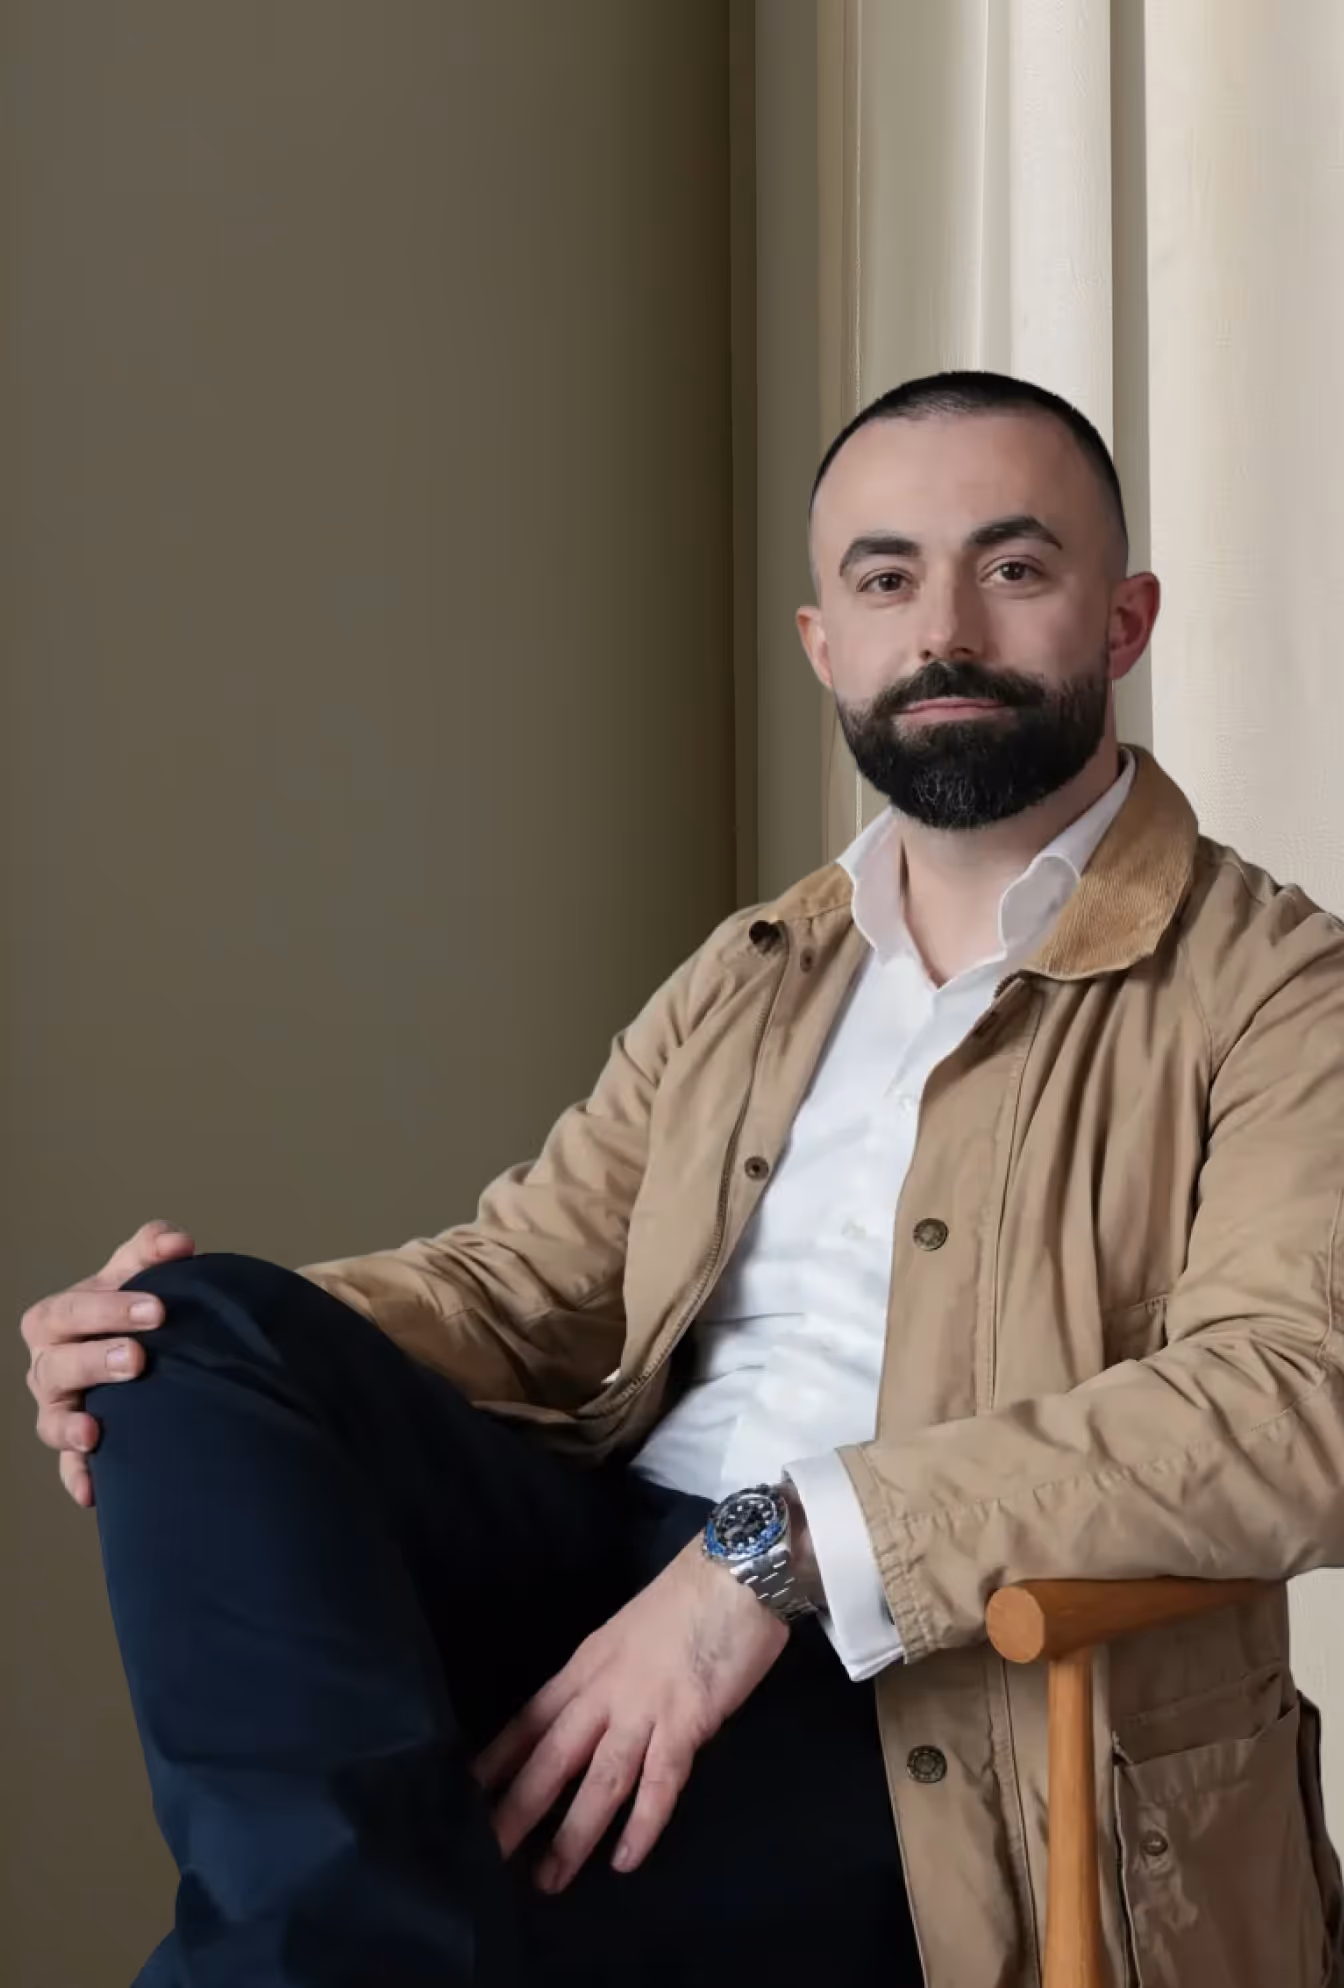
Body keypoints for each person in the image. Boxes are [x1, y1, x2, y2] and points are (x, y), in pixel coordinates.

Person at [22, 370, 1344, 1988]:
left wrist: (774, 1552)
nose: (945, 630)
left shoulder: (1281, 989)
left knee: (415, 1922)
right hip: (607, 1572)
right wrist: (170, 1346)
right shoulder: (761, 969)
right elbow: (523, 1289)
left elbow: (1299, 1401)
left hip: (922, 1677)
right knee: (189, 1328)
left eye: (1013, 569)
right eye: (884, 578)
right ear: (825, 645)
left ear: (1124, 620)